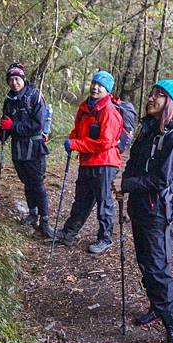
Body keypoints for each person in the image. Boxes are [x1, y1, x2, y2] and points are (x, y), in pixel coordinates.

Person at [113, 76, 173, 343]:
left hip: (158, 214)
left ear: (170, 102)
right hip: (140, 208)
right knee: (146, 263)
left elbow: (161, 182)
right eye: (152, 93)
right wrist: (126, 183)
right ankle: (156, 308)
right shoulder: (148, 129)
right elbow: (135, 163)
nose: (151, 98)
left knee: (159, 270)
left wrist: (127, 184)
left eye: (158, 95)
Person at [52, 70, 123, 254]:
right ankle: (68, 233)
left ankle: (105, 238)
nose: (95, 87)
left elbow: (105, 142)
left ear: (107, 90)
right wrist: (72, 140)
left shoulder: (109, 112)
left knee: (103, 202)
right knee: (82, 200)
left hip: (105, 163)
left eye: (101, 85)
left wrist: (76, 144)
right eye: (94, 83)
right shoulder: (85, 108)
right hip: (87, 162)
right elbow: (77, 130)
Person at [0, 63, 54, 238]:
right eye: (10, 80)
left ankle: (45, 221)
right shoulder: (9, 100)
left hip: (34, 147)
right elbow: (6, 124)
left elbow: (37, 125)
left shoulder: (35, 96)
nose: (14, 83)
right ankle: (32, 214)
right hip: (18, 149)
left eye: (17, 79)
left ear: (23, 79)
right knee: (26, 182)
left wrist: (13, 126)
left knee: (37, 183)